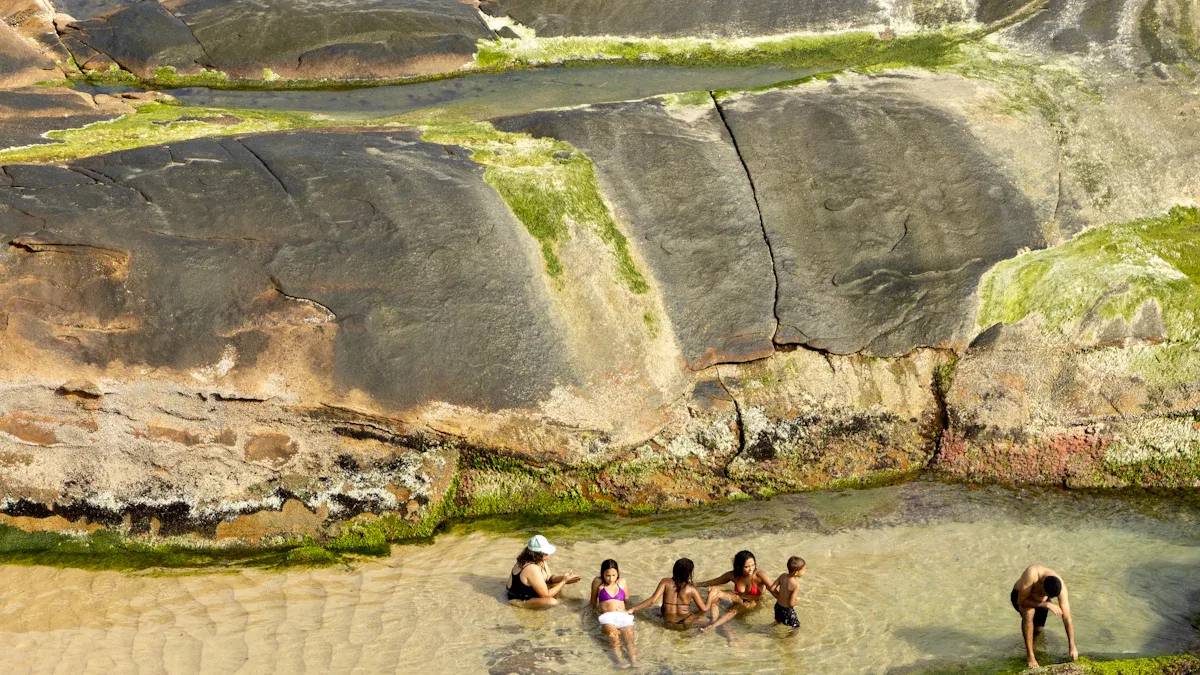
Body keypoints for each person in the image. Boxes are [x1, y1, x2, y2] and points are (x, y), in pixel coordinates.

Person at [1011, 564, 1077, 668]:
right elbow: (1021, 601)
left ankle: (1033, 644)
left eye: (1050, 597)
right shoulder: (1032, 573)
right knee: (1029, 613)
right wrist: (1047, 604)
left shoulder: (1061, 587)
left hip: (1041, 602)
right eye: (1047, 595)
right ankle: (1030, 655)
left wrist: (1072, 646)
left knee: (1038, 630)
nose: (1049, 598)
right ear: (1042, 585)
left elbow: (1067, 618)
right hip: (1021, 597)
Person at [627, 558, 723, 629]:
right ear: (689, 574)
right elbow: (704, 608)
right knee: (712, 619)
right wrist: (710, 596)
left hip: (667, 623)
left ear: (674, 570)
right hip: (685, 622)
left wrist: (633, 608)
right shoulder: (691, 589)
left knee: (654, 610)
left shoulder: (665, 582)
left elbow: (652, 600)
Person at [695, 549, 776, 631]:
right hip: (738, 598)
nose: (751, 569)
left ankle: (712, 626)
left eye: (753, 565)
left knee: (733, 610)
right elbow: (715, 581)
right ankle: (713, 619)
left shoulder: (759, 575)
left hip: (753, 602)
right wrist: (696, 584)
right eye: (746, 567)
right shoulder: (734, 575)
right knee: (714, 591)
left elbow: (774, 591)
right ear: (739, 566)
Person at [505, 534, 581, 608]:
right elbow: (546, 595)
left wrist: (565, 578)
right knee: (552, 602)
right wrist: (563, 581)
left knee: (556, 586)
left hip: (528, 592)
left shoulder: (539, 561)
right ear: (540, 554)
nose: (549, 553)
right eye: (547, 551)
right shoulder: (531, 568)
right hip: (518, 599)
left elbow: (550, 578)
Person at [591, 559, 637, 667]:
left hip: (623, 615)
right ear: (602, 573)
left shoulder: (622, 582)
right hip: (607, 617)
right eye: (607, 575)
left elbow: (626, 600)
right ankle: (621, 661)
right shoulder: (598, 582)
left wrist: (629, 611)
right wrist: (592, 616)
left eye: (613, 575)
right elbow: (593, 602)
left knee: (629, 638)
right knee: (614, 638)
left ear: (618, 573)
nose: (611, 578)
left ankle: (634, 662)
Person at [769, 556, 805, 631]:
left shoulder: (782, 576)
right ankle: (786, 640)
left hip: (778, 606)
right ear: (796, 572)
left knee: (778, 622)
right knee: (796, 627)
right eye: (803, 569)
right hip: (787, 610)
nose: (805, 571)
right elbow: (791, 603)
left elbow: (772, 588)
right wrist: (797, 600)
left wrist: (779, 596)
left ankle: (769, 630)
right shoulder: (796, 585)